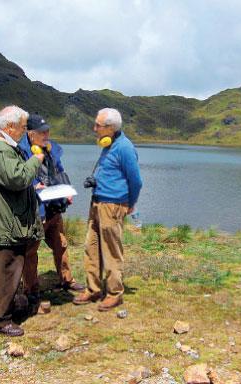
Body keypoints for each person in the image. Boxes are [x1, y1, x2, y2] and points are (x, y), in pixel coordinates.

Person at [0, 105, 44, 337]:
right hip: (4, 223)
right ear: (10, 127)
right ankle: (0, 320)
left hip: (7, 221)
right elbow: (17, 178)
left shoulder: (3, 147)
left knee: (12, 266)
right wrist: (36, 160)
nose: (25, 132)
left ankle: (10, 308)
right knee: (4, 270)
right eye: (23, 127)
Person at [73, 108, 142, 311]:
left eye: (98, 125)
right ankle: (93, 288)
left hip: (112, 206)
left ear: (110, 128)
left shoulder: (125, 148)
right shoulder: (108, 144)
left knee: (111, 251)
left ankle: (114, 293)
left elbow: (136, 181)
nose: (94, 128)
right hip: (97, 202)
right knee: (91, 246)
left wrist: (130, 204)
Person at [17, 114, 85, 304]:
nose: (47, 134)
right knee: (30, 251)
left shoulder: (51, 148)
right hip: (36, 211)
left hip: (54, 207)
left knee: (61, 244)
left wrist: (67, 190)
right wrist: (34, 187)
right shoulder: (20, 151)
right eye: (42, 132)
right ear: (30, 134)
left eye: (48, 130)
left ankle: (66, 280)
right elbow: (18, 177)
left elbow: (60, 171)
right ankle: (31, 289)